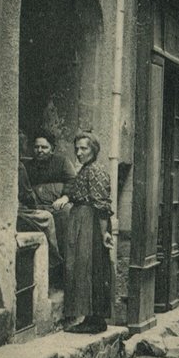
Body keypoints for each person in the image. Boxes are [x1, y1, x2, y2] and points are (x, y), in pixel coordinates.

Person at [53, 131, 114, 333]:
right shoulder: (86, 169)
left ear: (93, 150)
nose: (79, 152)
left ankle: (95, 320)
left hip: (91, 224)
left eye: (84, 148)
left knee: (90, 269)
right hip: (82, 220)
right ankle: (89, 317)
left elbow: (102, 206)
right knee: (81, 268)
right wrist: (66, 198)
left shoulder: (96, 171)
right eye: (77, 148)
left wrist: (104, 233)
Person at [27, 131, 75, 260]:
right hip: (37, 207)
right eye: (37, 147)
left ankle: (63, 261)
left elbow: (72, 180)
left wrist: (65, 197)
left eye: (44, 147)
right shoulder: (28, 166)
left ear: (52, 148)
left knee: (66, 214)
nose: (40, 150)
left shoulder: (62, 161)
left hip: (57, 206)